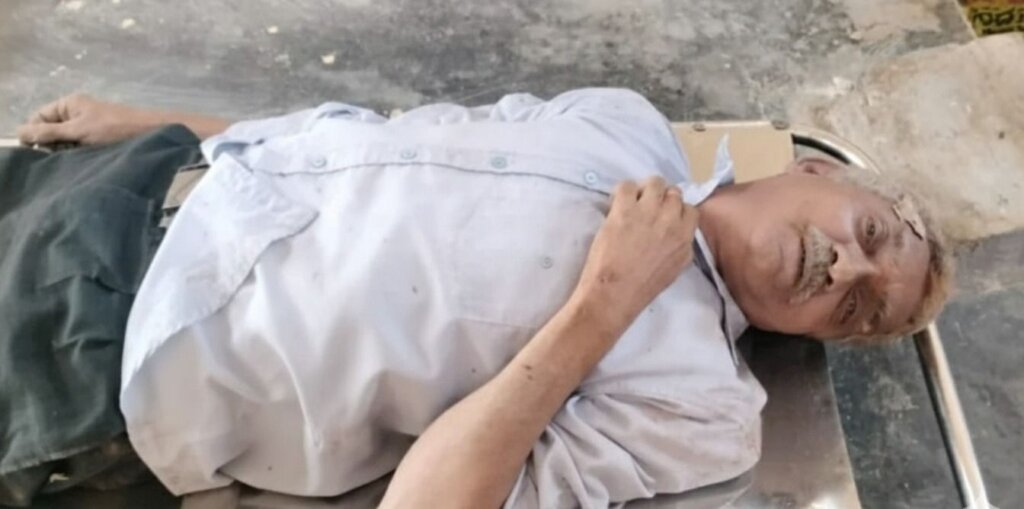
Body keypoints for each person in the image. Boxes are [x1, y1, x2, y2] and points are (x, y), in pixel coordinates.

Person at [5, 89, 952, 508]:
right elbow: (386, 135)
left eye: (859, 311)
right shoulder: (623, 123)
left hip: (115, 349)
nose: (847, 274)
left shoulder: (702, 404)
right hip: (141, 182)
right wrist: (157, 123)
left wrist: (608, 300)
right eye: (871, 235)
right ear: (816, 169)